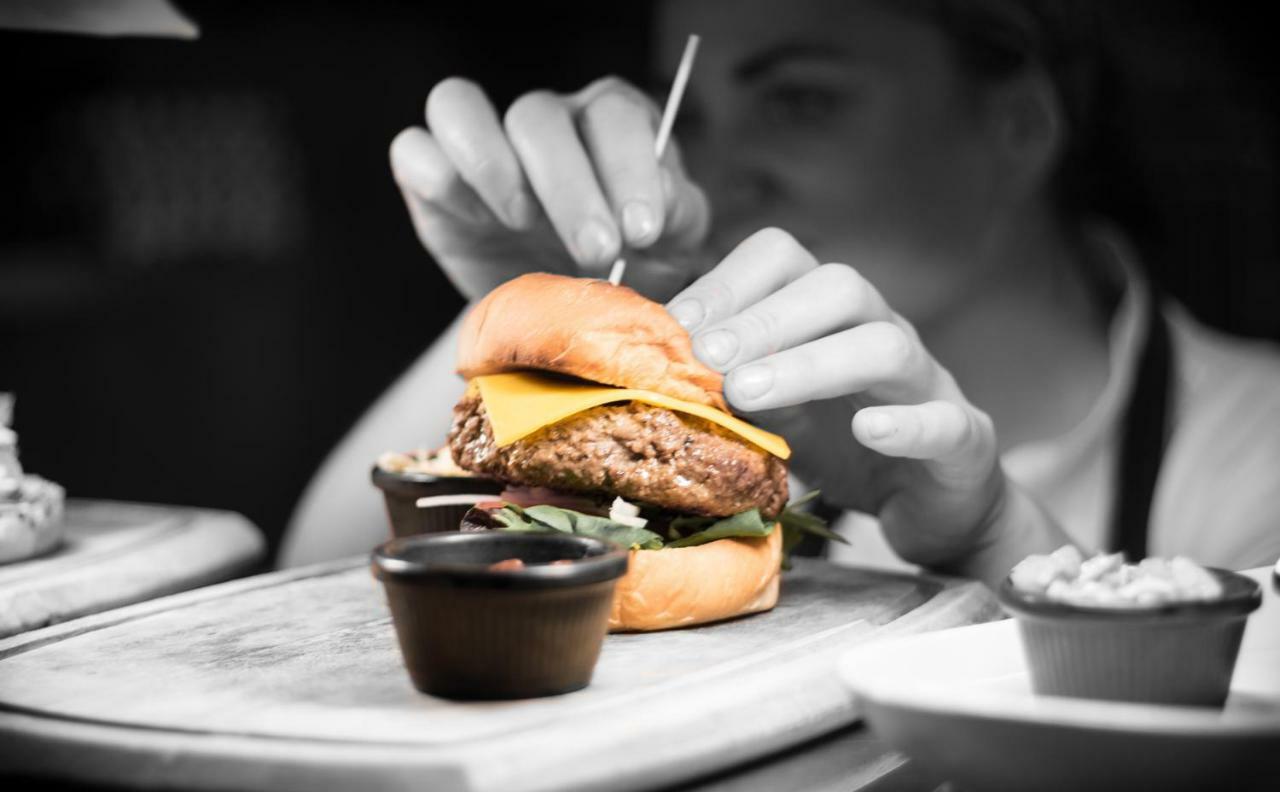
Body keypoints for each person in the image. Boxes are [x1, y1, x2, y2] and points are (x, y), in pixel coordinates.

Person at [280, 0, 1280, 582]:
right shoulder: (705, 432)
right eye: (695, 117)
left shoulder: (1257, 457)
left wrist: (992, 539)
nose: (714, 176)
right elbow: (309, 583)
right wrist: (538, 308)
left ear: (1018, 124)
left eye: (798, 99)